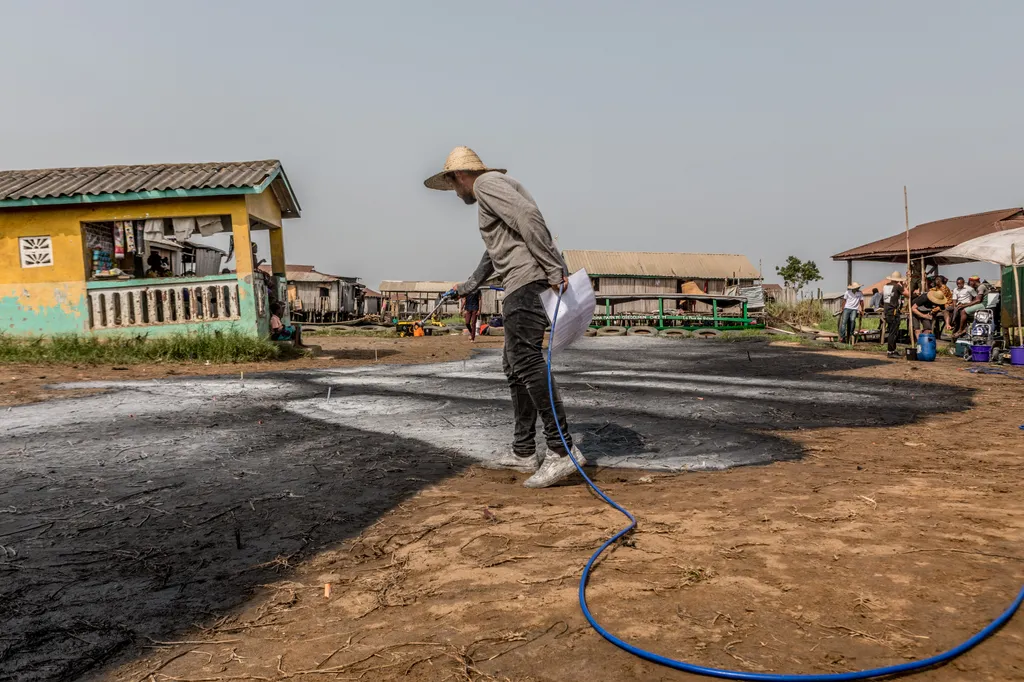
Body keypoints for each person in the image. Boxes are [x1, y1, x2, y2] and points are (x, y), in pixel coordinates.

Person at [425, 146, 583, 488]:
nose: (455, 192)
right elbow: (494, 250)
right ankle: (524, 450)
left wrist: (554, 270)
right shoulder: (493, 191)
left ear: (459, 176)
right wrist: (470, 284)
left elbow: (529, 218)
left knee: (526, 361)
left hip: (527, 282)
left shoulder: (485, 185)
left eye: (453, 184)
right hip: (520, 280)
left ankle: (562, 450)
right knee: (514, 365)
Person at [882, 271, 906, 358]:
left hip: (887, 310)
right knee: (893, 332)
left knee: (892, 331)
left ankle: (893, 350)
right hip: (893, 311)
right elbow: (907, 294)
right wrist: (903, 285)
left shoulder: (886, 286)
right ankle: (890, 351)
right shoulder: (897, 286)